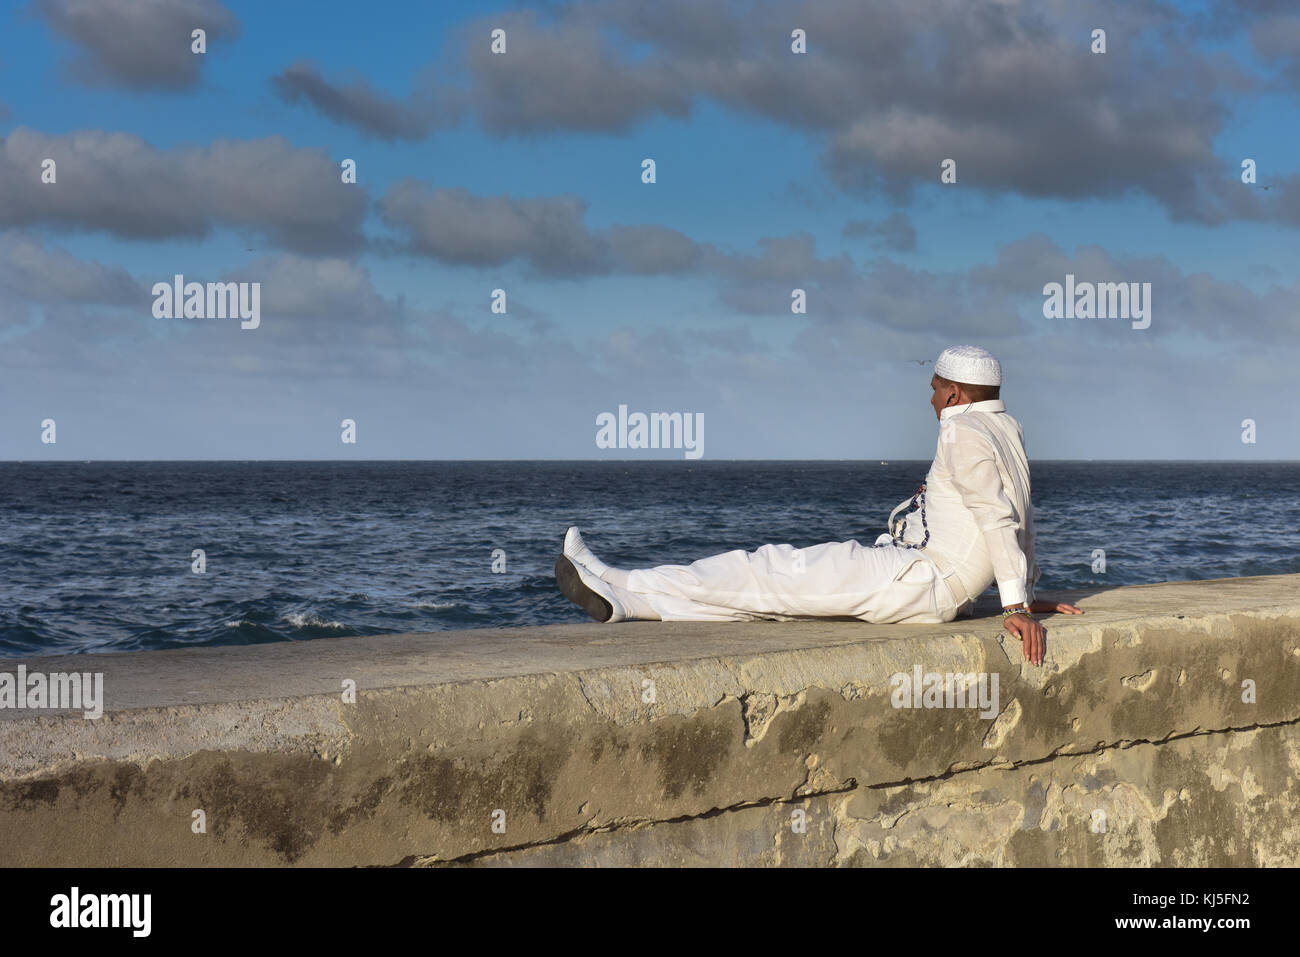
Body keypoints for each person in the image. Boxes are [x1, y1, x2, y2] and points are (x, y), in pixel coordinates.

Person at [555, 345, 1081, 664]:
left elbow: (997, 514)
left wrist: (1014, 606)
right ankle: (626, 598)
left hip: (921, 581)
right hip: (928, 581)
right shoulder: (1007, 428)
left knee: (767, 570)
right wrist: (1026, 590)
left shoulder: (962, 430)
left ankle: (620, 581)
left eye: (934, 388)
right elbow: (1022, 516)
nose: (929, 399)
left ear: (955, 395)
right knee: (776, 599)